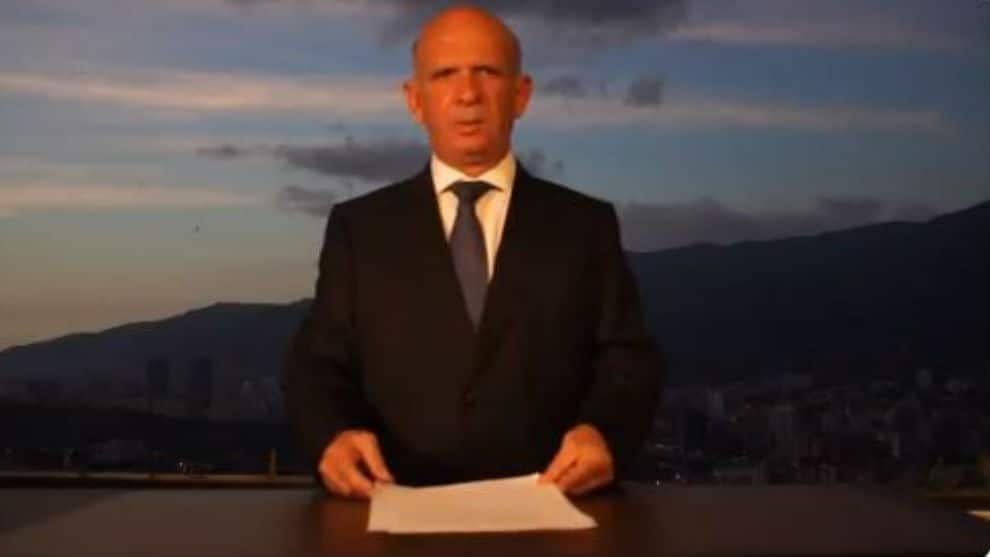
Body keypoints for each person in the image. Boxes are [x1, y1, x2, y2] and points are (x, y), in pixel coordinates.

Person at [284, 4, 662, 499]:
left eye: (487, 72)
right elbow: (317, 364)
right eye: (445, 75)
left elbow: (629, 359)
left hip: (554, 507)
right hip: (395, 507)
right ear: (415, 100)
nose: (467, 94)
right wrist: (332, 436)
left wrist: (603, 433)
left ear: (521, 94)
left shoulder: (585, 225)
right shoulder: (359, 229)